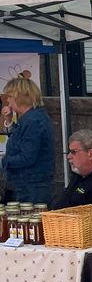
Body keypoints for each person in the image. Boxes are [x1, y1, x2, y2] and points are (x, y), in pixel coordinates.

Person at [1, 76, 55, 205]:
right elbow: (20, 139)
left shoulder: (33, 121)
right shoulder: (29, 117)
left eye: (10, 96)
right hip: (27, 182)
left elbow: (27, 157)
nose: (7, 100)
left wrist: (3, 161)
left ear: (19, 96)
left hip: (32, 185)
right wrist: (8, 120)